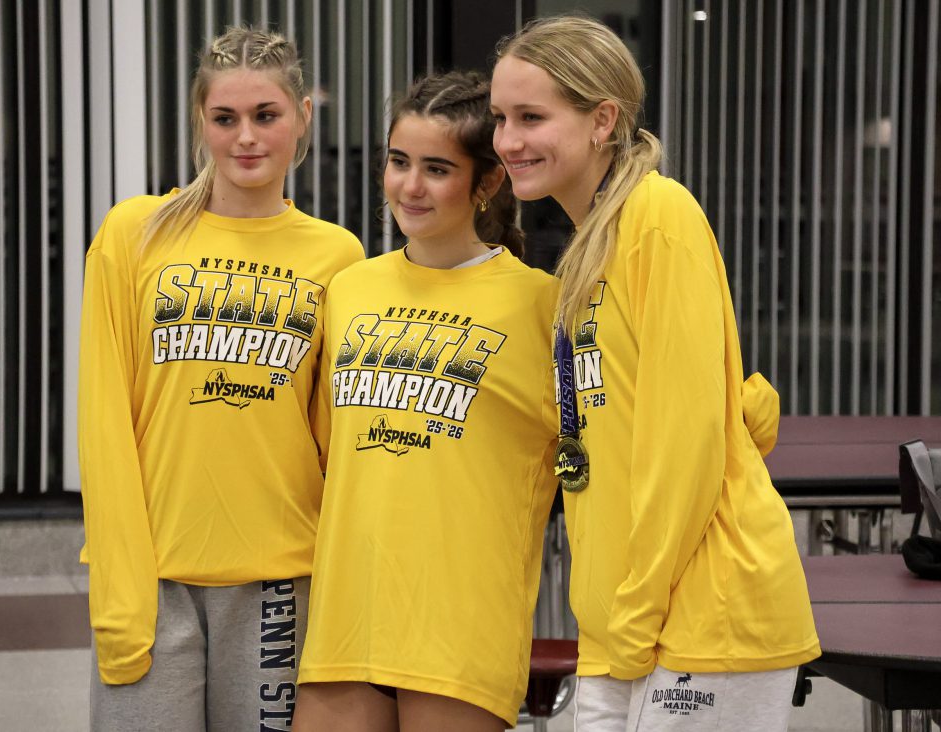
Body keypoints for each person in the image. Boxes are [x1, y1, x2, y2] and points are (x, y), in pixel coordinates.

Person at [490, 16, 820, 731]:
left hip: (704, 618)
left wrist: (633, 618)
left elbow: (686, 446)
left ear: (602, 119)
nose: (508, 141)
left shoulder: (659, 218)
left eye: (531, 117)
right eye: (500, 118)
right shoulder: (589, 248)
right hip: (628, 623)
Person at [78, 26, 363, 731]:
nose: (246, 138)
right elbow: (103, 415)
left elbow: (338, 438)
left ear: (302, 117)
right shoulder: (134, 233)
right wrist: (120, 586)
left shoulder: (338, 255)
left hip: (278, 581)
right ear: (200, 121)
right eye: (225, 118)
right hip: (155, 579)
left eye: (265, 116)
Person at [292, 71, 559, 732]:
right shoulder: (349, 289)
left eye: (437, 168)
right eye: (398, 161)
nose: (409, 186)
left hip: (460, 631)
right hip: (347, 623)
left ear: (488, 182)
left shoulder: (542, 304)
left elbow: (610, 442)